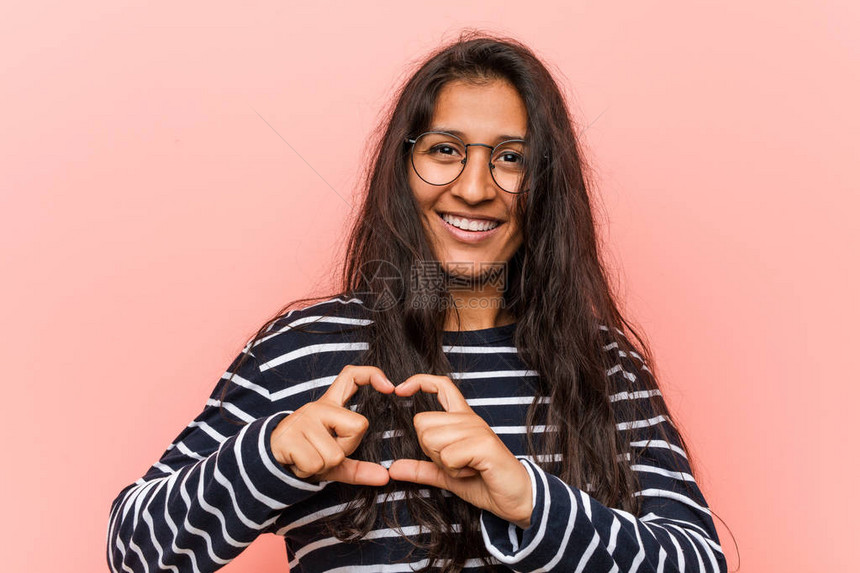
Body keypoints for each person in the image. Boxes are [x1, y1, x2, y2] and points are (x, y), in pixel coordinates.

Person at [107, 31, 727, 573]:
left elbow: (699, 561)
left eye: (512, 158)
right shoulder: (302, 351)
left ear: (547, 184)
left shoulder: (605, 366)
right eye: (444, 151)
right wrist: (268, 458)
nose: (476, 188)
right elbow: (133, 552)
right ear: (402, 168)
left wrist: (530, 501)